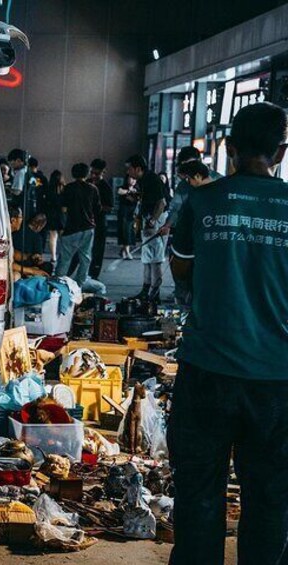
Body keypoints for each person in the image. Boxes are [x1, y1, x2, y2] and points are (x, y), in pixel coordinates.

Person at [167, 102, 288, 565]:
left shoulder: (203, 202)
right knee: (270, 499)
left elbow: (181, 271)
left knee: (199, 496)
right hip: (277, 380)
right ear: (280, 152)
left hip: (207, 373)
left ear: (231, 149)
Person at [160, 146, 222, 307]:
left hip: (208, 243)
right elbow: (175, 209)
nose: (186, 178)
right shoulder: (185, 186)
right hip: (187, 243)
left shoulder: (220, 182)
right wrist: (167, 225)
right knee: (185, 283)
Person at [125, 155, 168, 302]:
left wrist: (153, 221)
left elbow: (161, 203)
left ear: (138, 168)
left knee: (155, 259)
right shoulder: (142, 181)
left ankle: (154, 293)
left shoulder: (152, 180)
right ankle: (146, 290)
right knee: (147, 258)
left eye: (129, 168)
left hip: (155, 220)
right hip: (149, 218)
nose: (128, 172)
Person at [53, 163, 100, 287]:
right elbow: (97, 209)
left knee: (65, 257)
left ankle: (58, 283)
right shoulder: (93, 188)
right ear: (87, 174)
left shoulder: (68, 188)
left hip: (71, 228)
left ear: (73, 174)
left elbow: (63, 209)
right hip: (88, 227)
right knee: (85, 257)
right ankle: (80, 284)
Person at [88, 158, 114, 279]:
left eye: (97, 173)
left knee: (97, 250)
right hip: (85, 222)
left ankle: (94, 275)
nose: (93, 175)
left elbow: (110, 207)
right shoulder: (87, 182)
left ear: (103, 172)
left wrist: (96, 208)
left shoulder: (106, 187)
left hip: (99, 222)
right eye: (92, 172)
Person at [39, 169, 65, 270]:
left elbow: (45, 201)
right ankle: (63, 256)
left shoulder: (48, 188)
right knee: (63, 237)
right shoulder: (64, 189)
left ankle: (53, 257)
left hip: (51, 215)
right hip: (61, 215)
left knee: (52, 236)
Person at [117, 175, 138, 259]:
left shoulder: (137, 189)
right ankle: (127, 252)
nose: (133, 180)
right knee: (125, 231)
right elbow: (120, 191)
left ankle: (123, 250)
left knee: (130, 231)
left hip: (133, 213)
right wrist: (129, 191)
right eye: (131, 178)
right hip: (124, 212)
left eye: (134, 179)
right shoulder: (122, 188)